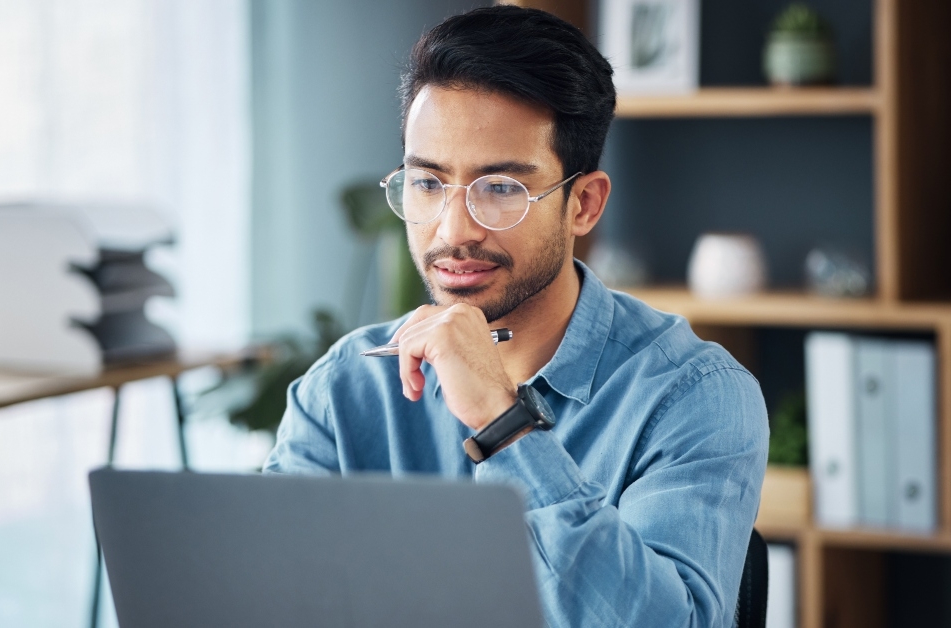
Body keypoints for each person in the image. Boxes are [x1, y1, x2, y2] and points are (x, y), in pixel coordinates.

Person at [265, 5, 768, 626]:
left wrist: (504, 424)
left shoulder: (695, 397)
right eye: (428, 184)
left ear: (583, 204)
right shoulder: (345, 388)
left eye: (500, 189)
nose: (453, 231)